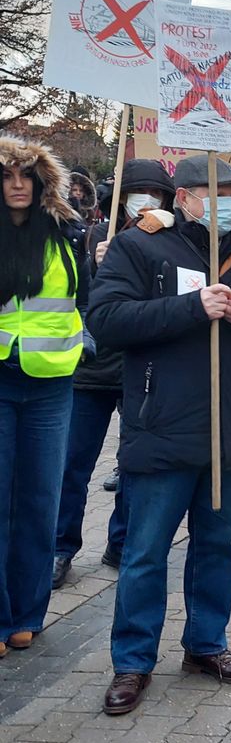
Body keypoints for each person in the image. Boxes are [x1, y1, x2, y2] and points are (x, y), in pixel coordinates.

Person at [87, 156, 231, 715]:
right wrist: (192, 307)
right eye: (213, 191)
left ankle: (206, 645)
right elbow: (108, 320)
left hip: (230, 427)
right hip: (161, 424)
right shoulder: (141, 245)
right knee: (144, 552)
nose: (225, 200)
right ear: (182, 198)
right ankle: (133, 661)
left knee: (217, 546)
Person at [53, 159, 175, 590]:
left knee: (133, 464)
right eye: (138, 193)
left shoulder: (170, 242)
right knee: (72, 464)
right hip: (90, 371)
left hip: (140, 370)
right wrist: (93, 261)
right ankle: (60, 547)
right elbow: (69, 293)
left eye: (156, 194)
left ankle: (121, 541)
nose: (146, 202)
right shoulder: (89, 236)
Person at [1, 136, 89, 659]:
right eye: (8, 176)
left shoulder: (66, 234)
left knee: (40, 501)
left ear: (40, 183)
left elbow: (84, 296)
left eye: (26, 176)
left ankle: (27, 613)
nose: (16, 185)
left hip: (53, 383)